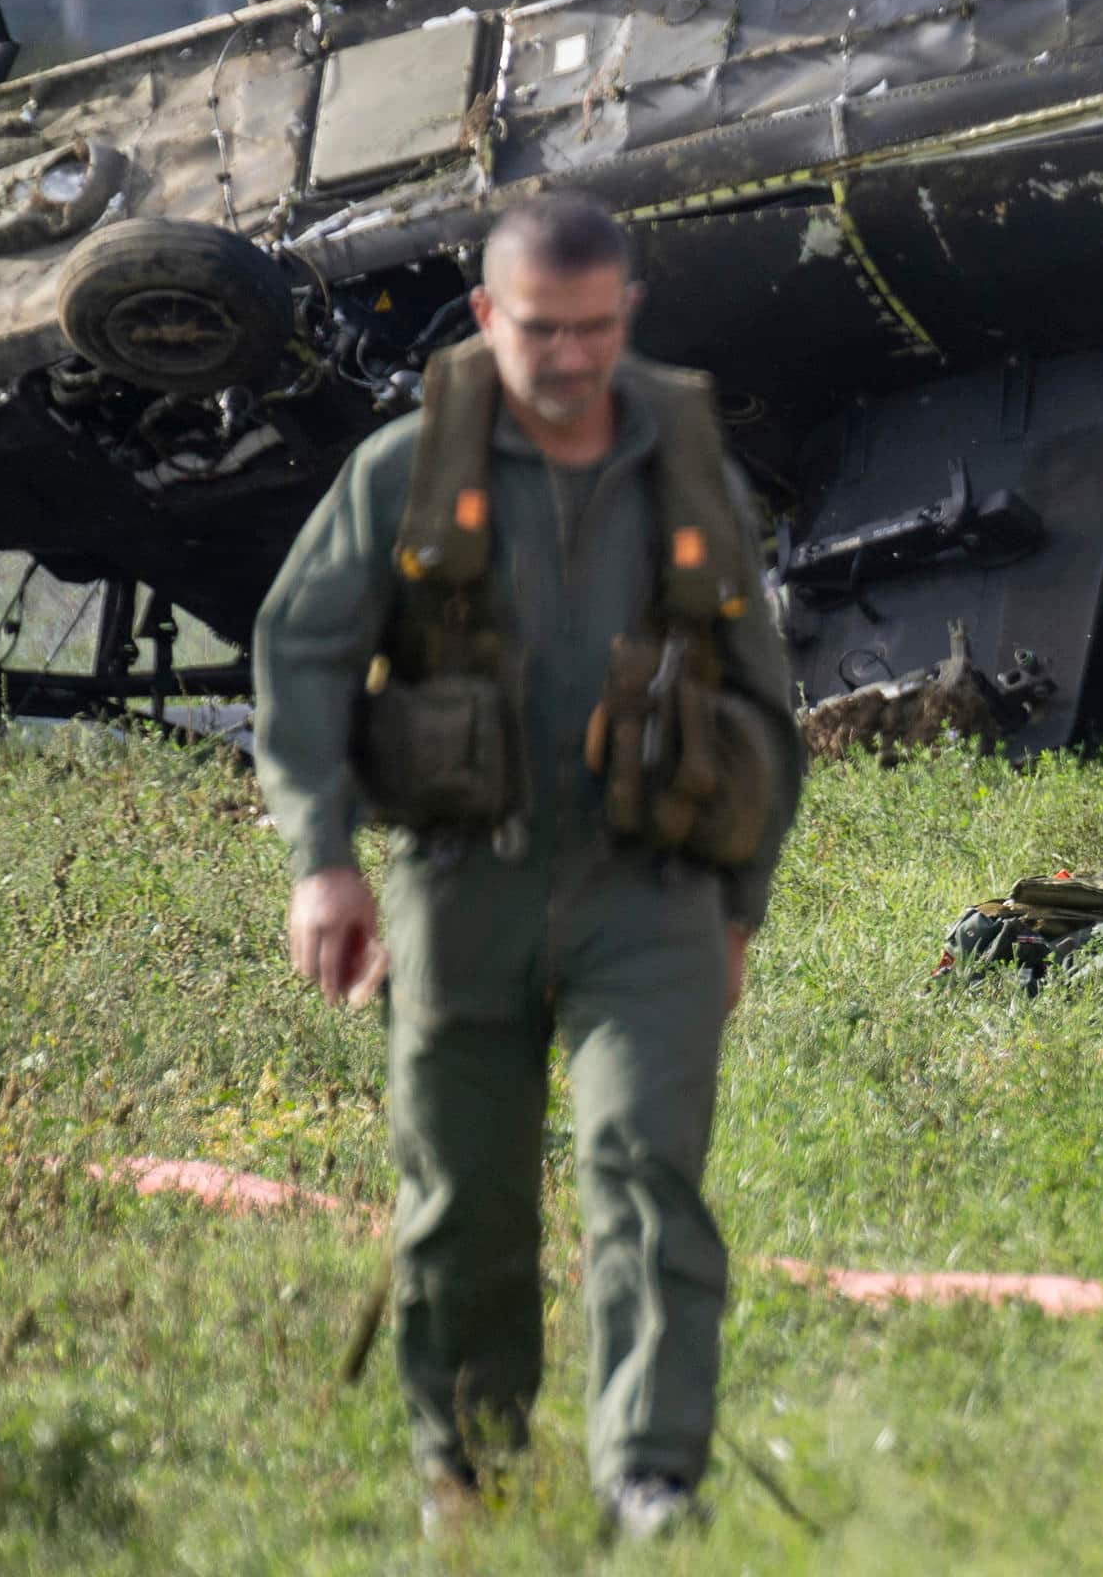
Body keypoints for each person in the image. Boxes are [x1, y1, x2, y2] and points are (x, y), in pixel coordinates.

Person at [254, 194, 804, 1539]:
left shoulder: (687, 475)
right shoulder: (405, 470)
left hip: (651, 891)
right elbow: (304, 653)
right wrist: (322, 864)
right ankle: (468, 1469)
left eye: (598, 330)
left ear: (627, 320)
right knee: (463, 1198)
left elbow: (762, 700)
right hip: (462, 887)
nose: (570, 359)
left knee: (646, 1172)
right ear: (490, 318)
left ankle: (651, 1476)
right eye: (542, 331)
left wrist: (741, 910)